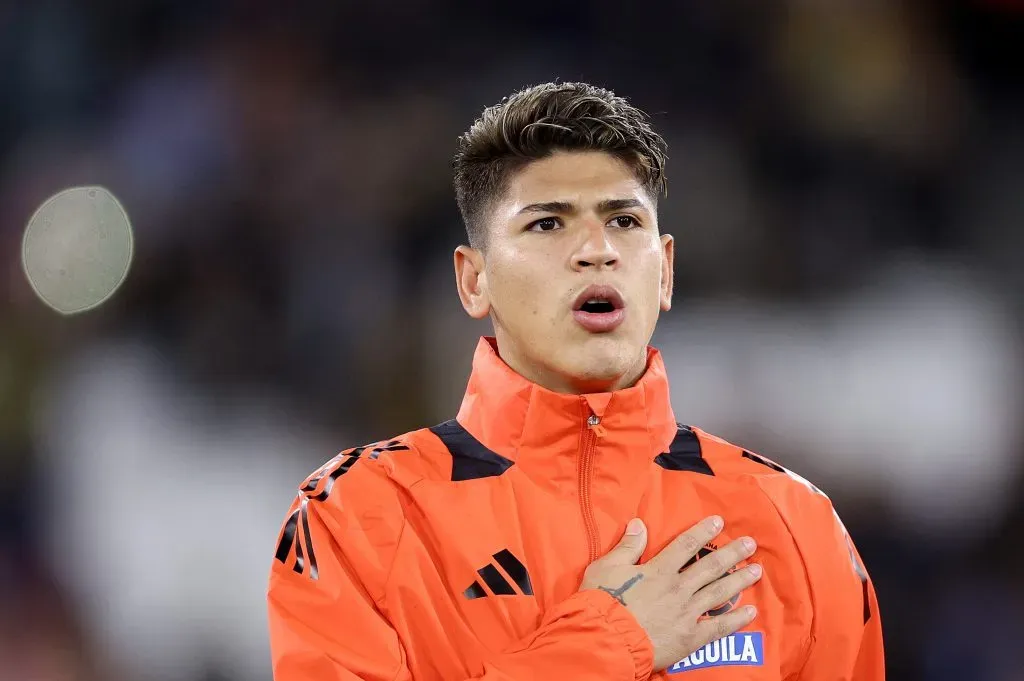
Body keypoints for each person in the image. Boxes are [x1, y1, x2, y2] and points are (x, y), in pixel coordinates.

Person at [266, 82, 885, 680]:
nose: (597, 250)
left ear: (665, 271)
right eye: (547, 224)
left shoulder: (793, 524)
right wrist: (612, 641)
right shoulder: (356, 517)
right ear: (473, 280)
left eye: (623, 221)